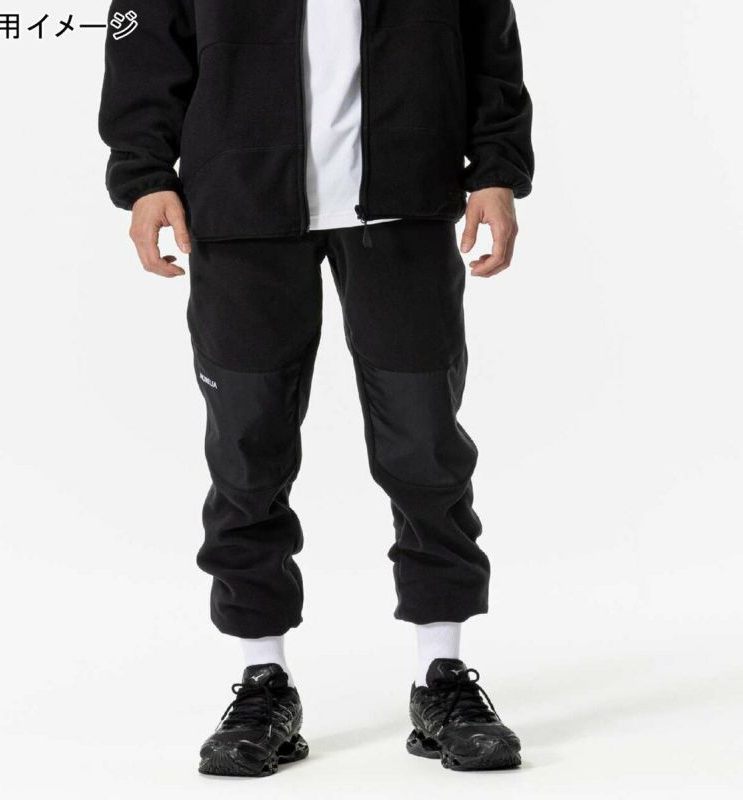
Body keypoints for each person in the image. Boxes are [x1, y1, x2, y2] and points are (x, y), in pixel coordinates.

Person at [99, 0, 533, 777]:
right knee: (247, 450)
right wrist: (144, 174)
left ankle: (441, 677)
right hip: (239, 209)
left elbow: (488, 41)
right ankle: (262, 681)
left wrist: (497, 170)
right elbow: (146, 41)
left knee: (426, 444)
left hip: (406, 201)